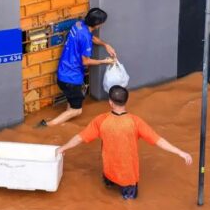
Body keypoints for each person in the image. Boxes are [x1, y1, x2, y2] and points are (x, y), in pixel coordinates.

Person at [56, 85, 192, 199]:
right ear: (126, 101)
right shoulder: (135, 122)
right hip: (128, 177)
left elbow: (80, 138)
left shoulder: (100, 121)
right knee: (128, 208)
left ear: (110, 102)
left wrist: (63, 148)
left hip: (108, 171)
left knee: (107, 193)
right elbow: (158, 140)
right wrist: (180, 152)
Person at [38, 8, 116, 127]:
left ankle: (63, 122)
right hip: (72, 79)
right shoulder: (85, 39)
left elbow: (91, 37)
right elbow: (85, 61)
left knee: (72, 104)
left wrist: (105, 45)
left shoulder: (78, 25)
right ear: (98, 24)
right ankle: (47, 125)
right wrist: (105, 61)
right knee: (77, 110)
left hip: (62, 73)